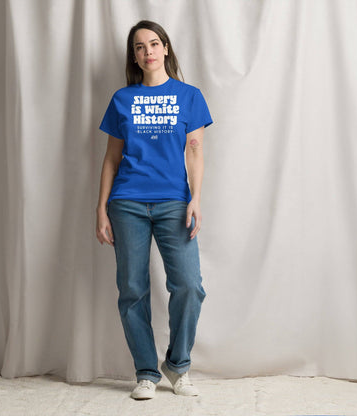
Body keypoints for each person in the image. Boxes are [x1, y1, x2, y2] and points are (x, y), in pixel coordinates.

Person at [96, 20, 213, 400]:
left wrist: (195, 198)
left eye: (154, 44)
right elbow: (112, 158)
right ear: (135, 56)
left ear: (165, 49)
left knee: (189, 287)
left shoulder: (189, 96)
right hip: (126, 202)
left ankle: (177, 365)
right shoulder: (122, 99)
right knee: (132, 289)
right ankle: (146, 371)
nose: (148, 52)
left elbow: (194, 150)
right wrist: (101, 208)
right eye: (139, 47)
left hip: (173, 203)